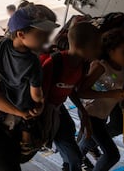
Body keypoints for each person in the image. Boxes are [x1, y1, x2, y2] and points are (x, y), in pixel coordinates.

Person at [0, 5, 59, 171]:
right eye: (42, 35)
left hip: (9, 116)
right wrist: (36, 106)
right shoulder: (23, 58)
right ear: (21, 34)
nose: (47, 40)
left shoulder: (4, 48)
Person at [42, 22, 102, 171]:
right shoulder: (55, 63)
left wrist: (82, 110)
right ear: (81, 46)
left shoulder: (82, 66)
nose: (98, 50)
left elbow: (73, 89)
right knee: (73, 156)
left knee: (72, 153)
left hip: (58, 109)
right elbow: (39, 93)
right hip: (44, 112)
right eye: (95, 46)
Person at [78, 28, 124, 171]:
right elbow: (82, 92)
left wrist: (123, 100)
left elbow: (120, 90)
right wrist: (110, 94)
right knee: (112, 155)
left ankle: (72, 161)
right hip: (89, 113)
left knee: (86, 142)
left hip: (102, 115)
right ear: (110, 50)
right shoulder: (100, 67)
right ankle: (73, 159)